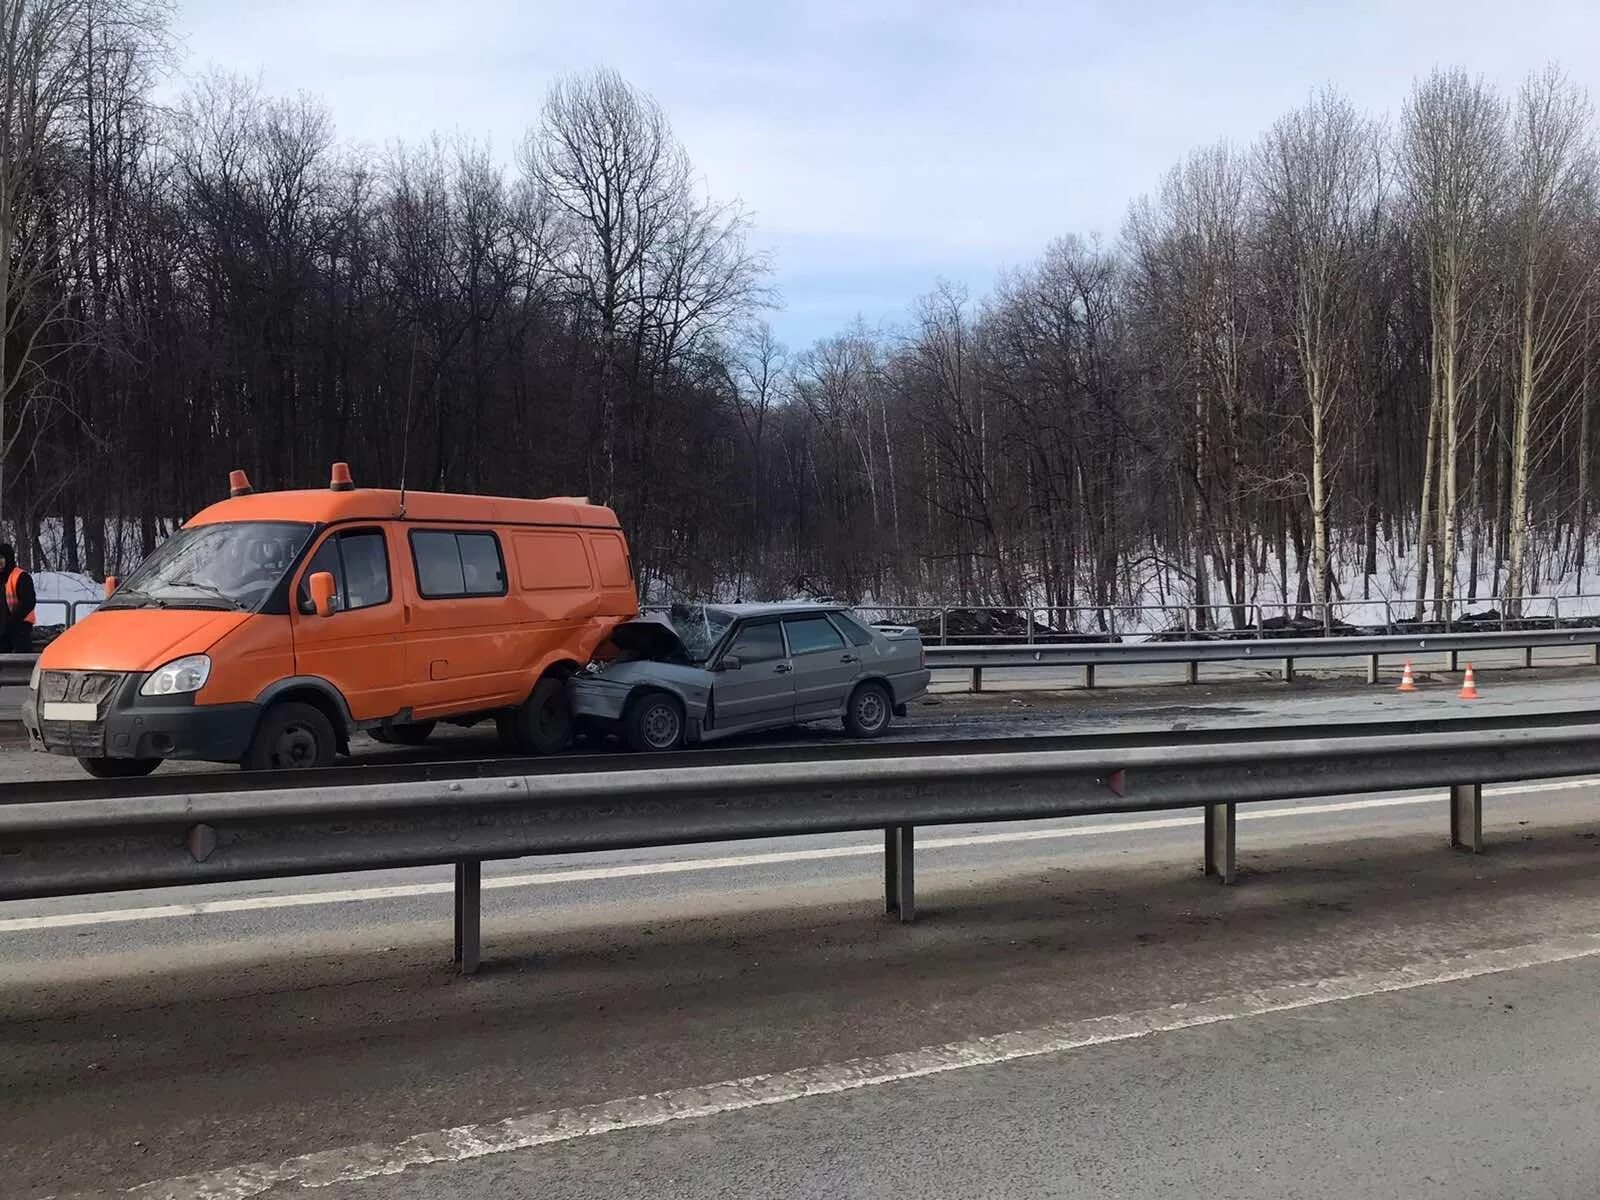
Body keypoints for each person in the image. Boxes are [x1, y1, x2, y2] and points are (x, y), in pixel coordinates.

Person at [0, 542, 36, 653]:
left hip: (20, 626)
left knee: (22, 662)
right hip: (2, 628)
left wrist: (12, 620)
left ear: (8, 558)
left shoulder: (21, 576)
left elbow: (28, 602)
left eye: (1, 558)